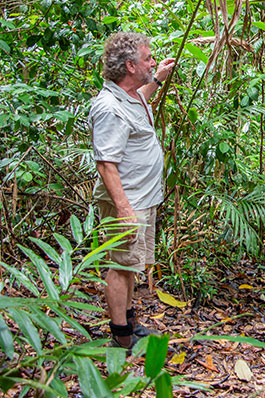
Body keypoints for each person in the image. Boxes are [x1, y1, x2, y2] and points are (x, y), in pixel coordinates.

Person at [89, 32, 175, 349]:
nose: (152, 61)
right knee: (121, 266)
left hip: (141, 197)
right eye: (148, 59)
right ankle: (121, 337)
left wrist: (159, 78)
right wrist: (124, 211)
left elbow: (142, 100)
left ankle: (130, 322)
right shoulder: (109, 107)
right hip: (128, 201)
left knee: (130, 265)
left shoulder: (131, 96)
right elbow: (106, 164)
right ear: (130, 65)